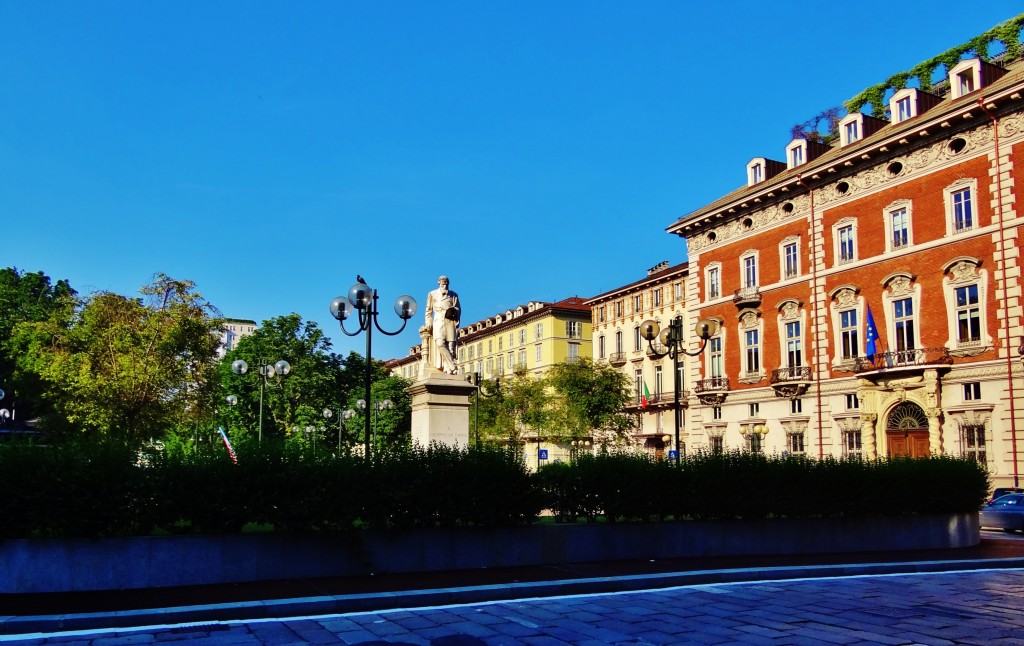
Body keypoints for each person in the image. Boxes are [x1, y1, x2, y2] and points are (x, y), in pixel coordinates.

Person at [424, 275, 460, 374]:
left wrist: (455, 313)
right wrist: (428, 321)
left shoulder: (454, 295)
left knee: (451, 346)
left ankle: (447, 368)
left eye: (446, 283)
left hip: (450, 320)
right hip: (438, 320)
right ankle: (452, 366)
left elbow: (458, 308)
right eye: (442, 282)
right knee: (440, 343)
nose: (444, 284)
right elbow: (428, 310)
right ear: (439, 283)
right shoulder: (432, 294)